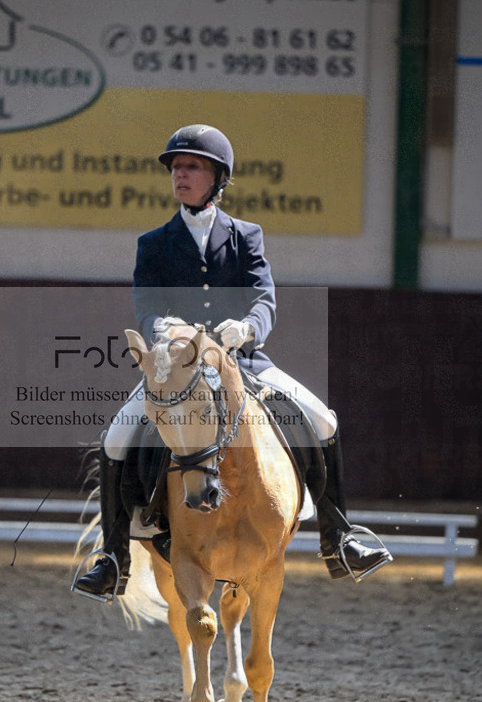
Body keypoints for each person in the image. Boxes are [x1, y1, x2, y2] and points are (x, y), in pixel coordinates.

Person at [72, 124, 392, 600]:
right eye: (176, 167)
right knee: (116, 435)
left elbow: (264, 299)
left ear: (217, 177)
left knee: (323, 420)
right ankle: (114, 557)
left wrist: (247, 329)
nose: (181, 174)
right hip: (178, 365)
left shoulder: (246, 236)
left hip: (242, 363)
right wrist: (162, 329)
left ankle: (339, 537)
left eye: (192, 166)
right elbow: (147, 304)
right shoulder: (154, 243)